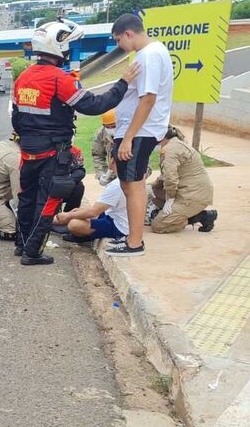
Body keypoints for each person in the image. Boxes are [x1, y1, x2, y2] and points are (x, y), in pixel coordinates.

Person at [12, 19, 140, 266]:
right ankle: (33, 252)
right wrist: (123, 82)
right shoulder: (58, 79)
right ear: (58, 47)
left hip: (27, 152)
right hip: (52, 152)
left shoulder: (23, 78)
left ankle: (21, 245)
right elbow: (95, 105)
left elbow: (17, 119)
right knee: (48, 201)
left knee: (26, 199)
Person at [106, 13, 174, 257]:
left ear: (129, 33)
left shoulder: (150, 55)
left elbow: (148, 99)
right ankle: (131, 237)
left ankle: (135, 243)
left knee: (134, 186)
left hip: (140, 133)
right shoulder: (147, 54)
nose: (118, 46)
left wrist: (128, 138)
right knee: (127, 184)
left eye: (118, 40)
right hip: (134, 131)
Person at [150, 126, 218, 234]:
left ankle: (201, 217)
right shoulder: (174, 145)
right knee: (152, 192)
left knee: (158, 226)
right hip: (188, 191)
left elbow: (170, 178)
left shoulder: (170, 150)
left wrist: (170, 198)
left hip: (192, 196)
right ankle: (172, 214)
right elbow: (165, 177)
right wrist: (150, 186)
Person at [54, 178, 129, 243]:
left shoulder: (116, 185)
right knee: (77, 211)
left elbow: (93, 212)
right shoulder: (123, 181)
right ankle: (47, 221)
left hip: (119, 226)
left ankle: (85, 236)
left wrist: (68, 216)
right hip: (112, 215)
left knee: (74, 224)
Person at [92, 109, 117, 186]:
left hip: (134, 173)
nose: (110, 129)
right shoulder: (101, 133)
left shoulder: (132, 131)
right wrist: (102, 175)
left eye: (113, 126)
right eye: (107, 127)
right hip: (112, 173)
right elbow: (97, 155)